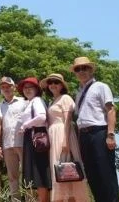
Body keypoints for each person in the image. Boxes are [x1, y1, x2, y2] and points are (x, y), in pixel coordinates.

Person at [72, 56, 119, 202]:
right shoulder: (78, 92)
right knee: (92, 174)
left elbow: (110, 110)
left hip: (99, 132)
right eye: (78, 69)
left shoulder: (101, 86)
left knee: (105, 172)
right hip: (84, 135)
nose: (82, 71)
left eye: (85, 68)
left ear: (91, 70)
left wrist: (110, 134)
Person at [40, 73, 90, 202]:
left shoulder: (65, 98)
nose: (53, 85)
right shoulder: (52, 101)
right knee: (58, 172)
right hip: (53, 136)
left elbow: (68, 121)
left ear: (62, 85)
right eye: (50, 83)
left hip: (63, 133)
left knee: (67, 170)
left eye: (56, 82)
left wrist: (65, 141)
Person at [18, 77, 51, 202]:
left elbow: (41, 117)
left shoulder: (37, 100)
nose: (27, 90)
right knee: (33, 172)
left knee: (39, 172)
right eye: (25, 88)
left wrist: (25, 125)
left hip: (37, 137)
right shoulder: (30, 102)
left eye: (30, 87)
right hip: (31, 137)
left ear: (36, 89)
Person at [0, 76, 26, 201]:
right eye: (3, 87)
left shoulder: (24, 102)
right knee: (12, 176)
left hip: (23, 143)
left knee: (28, 174)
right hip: (7, 144)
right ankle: (16, 199)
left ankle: (32, 199)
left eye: (8, 86)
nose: (6, 89)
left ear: (14, 87)